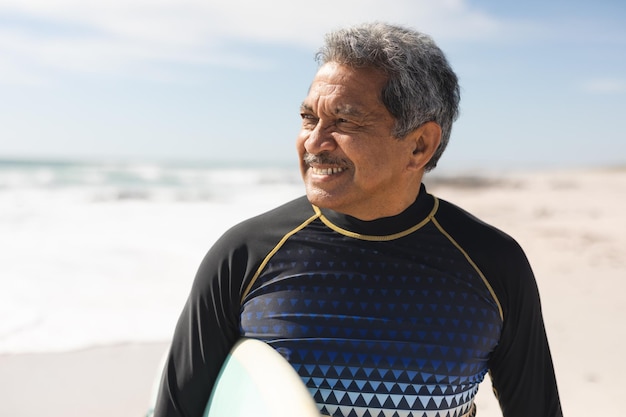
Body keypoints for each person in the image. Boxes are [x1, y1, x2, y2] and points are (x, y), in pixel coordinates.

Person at [153, 22, 562, 417]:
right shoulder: (245, 254)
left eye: (345, 121)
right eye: (309, 118)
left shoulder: (493, 264)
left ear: (420, 145)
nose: (314, 142)